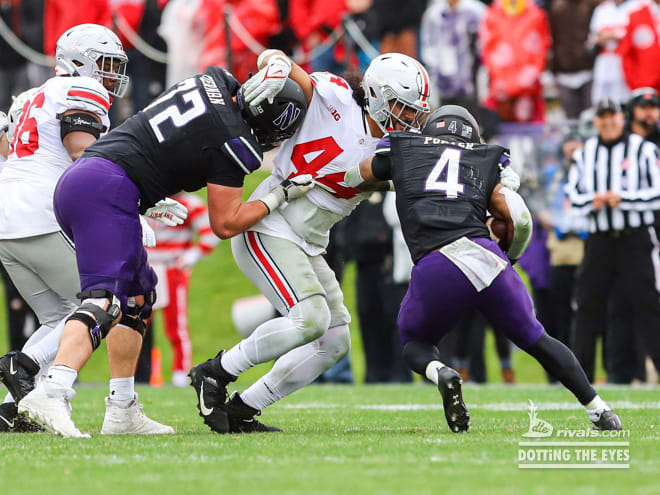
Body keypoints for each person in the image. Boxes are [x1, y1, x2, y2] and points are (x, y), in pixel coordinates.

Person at [16, 62, 310, 438]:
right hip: (108, 187)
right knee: (104, 300)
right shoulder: (235, 142)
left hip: (98, 178)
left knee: (138, 297)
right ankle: (52, 389)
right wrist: (277, 196)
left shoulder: (215, 80)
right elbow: (226, 222)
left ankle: (121, 409)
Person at [188, 51, 432, 434]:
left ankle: (244, 408)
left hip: (308, 241)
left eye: (416, 111)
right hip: (270, 223)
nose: (411, 118)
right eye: (403, 107)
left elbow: (376, 172)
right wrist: (277, 66)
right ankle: (215, 372)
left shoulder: (391, 148)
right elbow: (278, 60)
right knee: (311, 319)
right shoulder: (334, 97)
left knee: (334, 341)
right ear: (378, 95)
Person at [347, 105, 622, 433]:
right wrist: (511, 259)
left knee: (415, 343)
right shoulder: (489, 157)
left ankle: (441, 372)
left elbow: (356, 176)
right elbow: (518, 216)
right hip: (487, 258)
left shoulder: (405, 148)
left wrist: (394, 182)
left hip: (437, 263)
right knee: (537, 338)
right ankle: (599, 410)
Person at [0, 24, 142, 434]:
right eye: (107, 64)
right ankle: (22, 366)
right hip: (42, 212)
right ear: (80, 61)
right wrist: (131, 200)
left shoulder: (28, 96)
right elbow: (83, 153)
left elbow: (14, 149)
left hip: (8, 217)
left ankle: (12, 407)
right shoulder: (83, 90)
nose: (112, 75)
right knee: (106, 302)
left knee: (58, 317)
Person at [566, 98, 660, 383]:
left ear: (623, 118)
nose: (608, 122)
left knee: (648, 305)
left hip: (635, 239)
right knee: (587, 305)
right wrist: (592, 201)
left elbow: (657, 192)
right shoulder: (585, 154)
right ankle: (579, 376)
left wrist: (624, 199)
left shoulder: (644, 150)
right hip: (599, 240)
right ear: (595, 121)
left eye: (613, 116)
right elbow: (573, 194)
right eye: (602, 116)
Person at [146, 192, 220, 387]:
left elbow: (211, 233)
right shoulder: (145, 196)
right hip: (145, 267)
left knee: (176, 325)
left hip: (172, 268)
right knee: (137, 323)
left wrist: (190, 257)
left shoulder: (190, 204)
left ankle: (180, 374)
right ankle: (137, 374)